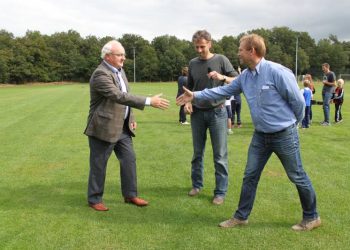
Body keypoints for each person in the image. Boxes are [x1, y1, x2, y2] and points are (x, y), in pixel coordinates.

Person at [177, 34, 321, 231]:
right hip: (260, 136)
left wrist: (291, 125)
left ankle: (312, 217)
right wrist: (195, 95)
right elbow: (221, 92)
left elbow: (298, 103)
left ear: (252, 51)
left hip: (284, 135)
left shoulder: (277, 72)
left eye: (241, 49)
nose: (238, 53)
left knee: (297, 175)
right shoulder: (245, 76)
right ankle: (241, 216)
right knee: (250, 176)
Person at [84, 40, 169, 211]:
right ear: (108, 56)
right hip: (103, 127)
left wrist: (131, 117)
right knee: (99, 164)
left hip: (123, 127)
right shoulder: (101, 74)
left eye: (123, 54)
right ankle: (94, 199)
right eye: (120, 54)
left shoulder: (120, 71)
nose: (124, 58)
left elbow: (126, 96)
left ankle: (130, 195)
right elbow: (118, 96)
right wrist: (149, 101)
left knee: (129, 160)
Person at [185, 30, 238, 205]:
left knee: (220, 155)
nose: (199, 50)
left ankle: (220, 192)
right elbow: (190, 88)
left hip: (218, 112)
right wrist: (188, 102)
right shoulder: (193, 63)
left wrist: (222, 76)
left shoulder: (221, 60)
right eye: (196, 47)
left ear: (210, 44)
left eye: (202, 46)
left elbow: (237, 81)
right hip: (198, 114)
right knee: (197, 153)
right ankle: (196, 184)